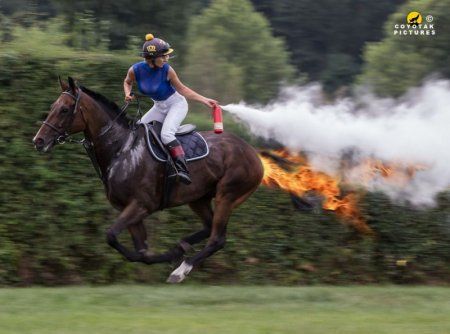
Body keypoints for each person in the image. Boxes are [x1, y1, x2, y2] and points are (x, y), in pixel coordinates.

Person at [123, 33, 218, 185]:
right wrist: (127, 94)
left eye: (167, 56)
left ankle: (182, 169)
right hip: (159, 107)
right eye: (164, 56)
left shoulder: (167, 70)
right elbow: (127, 82)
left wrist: (204, 100)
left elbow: (183, 90)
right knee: (137, 130)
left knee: (167, 135)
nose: (167, 59)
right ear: (152, 58)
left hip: (176, 104)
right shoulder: (135, 70)